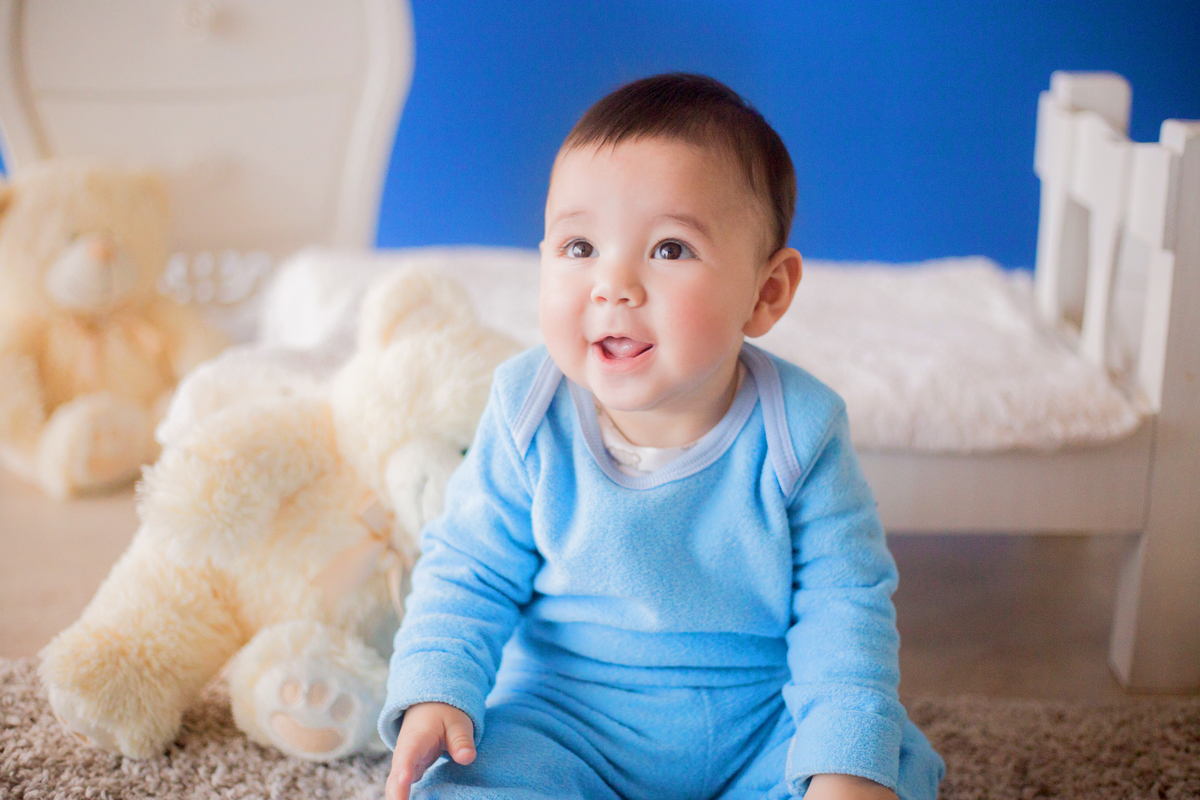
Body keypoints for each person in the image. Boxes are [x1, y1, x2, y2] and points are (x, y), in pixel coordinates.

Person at [379, 73, 945, 800]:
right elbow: (470, 568)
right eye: (579, 247)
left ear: (766, 292)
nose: (613, 285)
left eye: (670, 250)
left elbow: (846, 607)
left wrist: (842, 762)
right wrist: (437, 687)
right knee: (465, 776)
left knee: (878, 761)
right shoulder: (528, 406)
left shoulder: (800, 430)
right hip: (565, 718)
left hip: (760, 720)